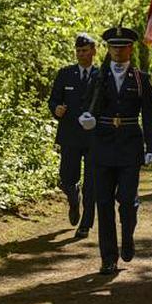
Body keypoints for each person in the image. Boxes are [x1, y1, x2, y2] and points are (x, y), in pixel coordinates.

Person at [79, 27, 152, 275]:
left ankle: (128, 235)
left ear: (130, 49)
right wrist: (87, 118)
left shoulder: (140, 78)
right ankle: (108, 257)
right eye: (114, 47)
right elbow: (87, 105)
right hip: (102, 145)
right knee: (103, 202)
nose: (117, 51)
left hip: (129, 146)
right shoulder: (98, 76)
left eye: (122, 47)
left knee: (126, 200)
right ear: (108, 49)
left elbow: (149, 115)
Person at [47, 33, 99, 238]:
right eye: (78, 51)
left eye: (85, 51)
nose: (81, 54)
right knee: (67, 178)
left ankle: (86, 223)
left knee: (92, 182)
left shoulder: (101, 75)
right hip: (70, 135)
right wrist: (56, 109)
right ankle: (73, 199)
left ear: (93, 51)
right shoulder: (65, 74)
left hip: (94, 137)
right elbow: (53, 100)